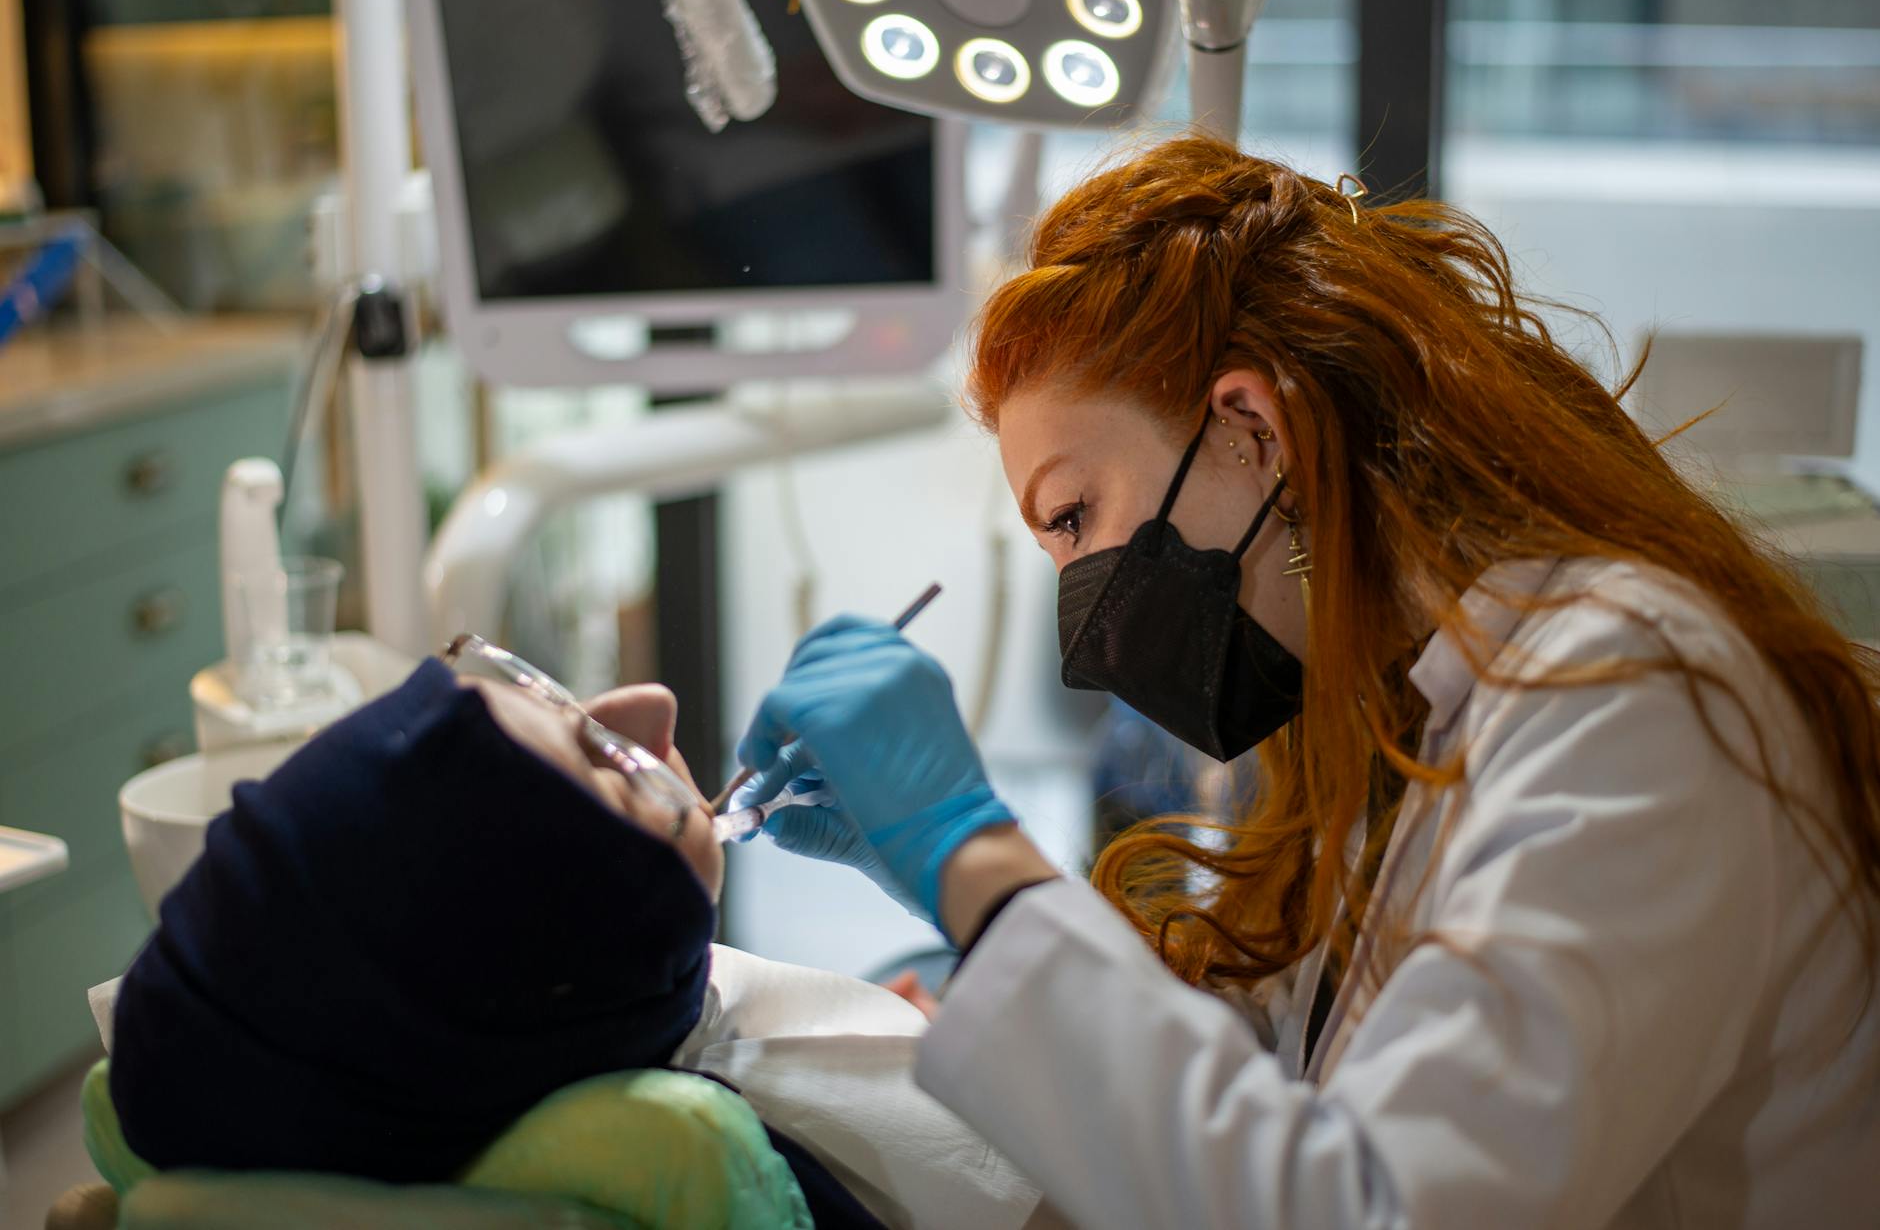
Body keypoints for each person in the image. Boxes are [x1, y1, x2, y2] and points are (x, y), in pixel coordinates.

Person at [735, 135, 1880, 1228]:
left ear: (1251, 428)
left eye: (1075, 517)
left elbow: (1367, 1208)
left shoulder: (1626, 692)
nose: (1079, 618)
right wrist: (941, 887)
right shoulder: (1396, 723)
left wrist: (970, 851)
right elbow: (1244, 1112)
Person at [103, 659, 1054, 1229]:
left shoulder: (566, 1034)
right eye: (609, 763)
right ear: (585, 965)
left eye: (555, 695)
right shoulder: (730, 1145)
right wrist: (971, 874)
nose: (650, 703)